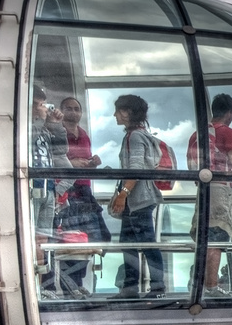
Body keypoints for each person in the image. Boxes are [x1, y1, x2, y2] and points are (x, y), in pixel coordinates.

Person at [51, 95, 109, 298]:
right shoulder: (57, 132)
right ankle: (70, 286)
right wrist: (72, 163)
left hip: (84, 190)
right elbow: (53, 158)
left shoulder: (83, 133)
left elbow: (80, 159)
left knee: (92, 238)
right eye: (69, 108)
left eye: (77, 109)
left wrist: (92, 162)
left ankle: (76, 283)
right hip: (68, 190)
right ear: (61, 110)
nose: (73, 112)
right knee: (71, 240)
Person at [187, 93, 232, 296]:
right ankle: (211, 287)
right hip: (219, 191)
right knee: (217, 239)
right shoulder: (227, 132)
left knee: (206, 238)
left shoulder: (199, 134)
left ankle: (201, 285)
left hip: (203, 192)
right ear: (229, 113)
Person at [112, 94, 166, 297]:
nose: (115, 115)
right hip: (143, 198)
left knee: (144, 244)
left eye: (117, 110)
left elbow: (135, 168)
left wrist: (122, 194)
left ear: (126, 112)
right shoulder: (144, 134)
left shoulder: (134, 137)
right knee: (130, 243)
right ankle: (133, 287)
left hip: (137, 200)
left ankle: (154, 287)